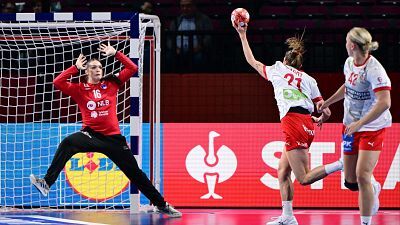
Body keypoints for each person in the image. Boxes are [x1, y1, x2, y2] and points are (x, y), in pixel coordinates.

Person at [30, 42, 182, 218]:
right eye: (93, 67)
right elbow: (58, 82)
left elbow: (132, 68)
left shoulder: (111, 83)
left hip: (113, 140)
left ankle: (161, 204)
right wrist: (74, 67)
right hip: (91, 135)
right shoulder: (79, 89)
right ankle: (46, 184)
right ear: (86, 71)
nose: (98, 70)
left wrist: (116, 53)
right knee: (68, 142)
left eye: (100, 67)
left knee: (136, 174)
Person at [233, 23, 343, 225]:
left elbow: (252, 61)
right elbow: (326, 110)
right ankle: (288, 216)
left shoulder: (277, 69)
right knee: (283, 172)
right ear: (300, 66)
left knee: (304, 178)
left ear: (285, 60)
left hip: (293, 122)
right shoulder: (309, 79)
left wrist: (242, 34)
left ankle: (341, 164)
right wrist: (319, 119)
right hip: (306, 123)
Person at [317, 27, 391, 225]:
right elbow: (348, 87)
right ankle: (373, 187)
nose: (345, 44)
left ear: (352, 45)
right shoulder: (349, 63)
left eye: (346, 41)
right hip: (350, 126)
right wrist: (328, 102)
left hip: (371, 128)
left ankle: (365, 222)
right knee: (350, 181)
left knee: (362, 175)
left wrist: (361, 123)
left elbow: (385, 102)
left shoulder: (375, 70)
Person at [167, 0, 213, 71]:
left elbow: (208, 37)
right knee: (169, 58)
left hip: (197, 50)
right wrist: (174, 49)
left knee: (199, 59)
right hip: (178, 50)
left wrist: (200, 47)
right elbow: (169, 38)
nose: (185, 8)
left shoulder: (204, 19)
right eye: (183, 6)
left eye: (188, 6)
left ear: (194, 6)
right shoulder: (176, 20)